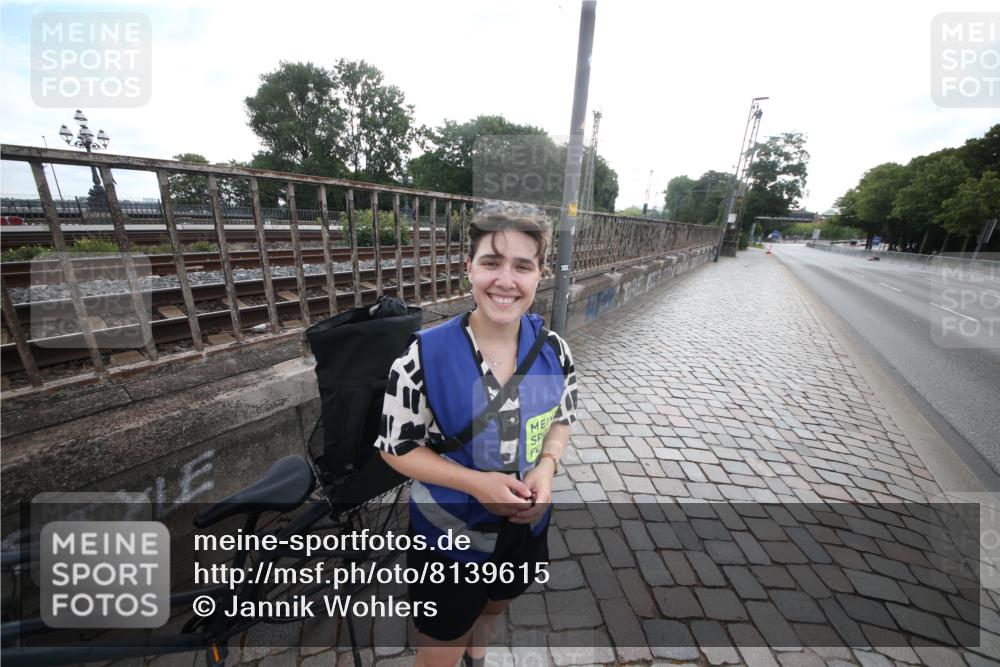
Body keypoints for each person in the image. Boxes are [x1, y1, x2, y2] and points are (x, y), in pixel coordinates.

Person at [375, 210, 578, 667]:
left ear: (540, 273)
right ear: (468, 267)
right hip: (448, 536)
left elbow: (561, 418)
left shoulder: (555, 350)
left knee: (497, 601)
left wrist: (547, 467)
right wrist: (475, 483)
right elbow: (395, 447)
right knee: (440, 645)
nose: (505, 280)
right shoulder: (420, 358)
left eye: (522, 266)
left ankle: (478, 648)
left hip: (526, 527)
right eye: (491, 262)